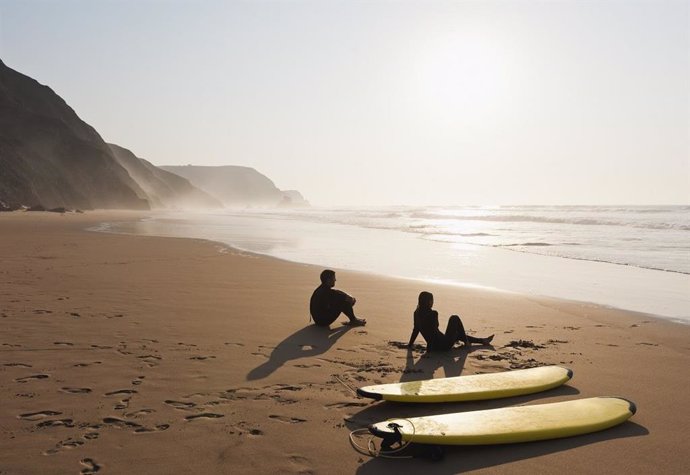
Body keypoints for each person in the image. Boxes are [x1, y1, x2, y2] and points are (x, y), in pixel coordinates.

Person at [408, 291, 493, 351]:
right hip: (443, 345)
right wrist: (429, 352)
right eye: (432, 300)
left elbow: (416, 330)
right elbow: (433, 333)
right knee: (454, 318)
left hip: (435, 346)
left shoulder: (416, 313)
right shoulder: (433, 313)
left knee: (458, 334)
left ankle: (482, 340)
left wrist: (410, 345)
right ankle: (467, 342)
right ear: (428, 302)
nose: (433, 302)